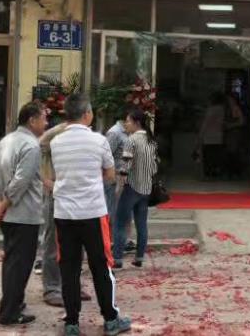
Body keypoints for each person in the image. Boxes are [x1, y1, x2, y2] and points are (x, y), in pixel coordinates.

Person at [50, 93, 132, 336]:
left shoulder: (56, 142)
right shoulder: (99, 141)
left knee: (69, 269)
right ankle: (111, 319)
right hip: (93, 213)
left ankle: (72, 323)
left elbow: (57, 172)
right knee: (101, 266)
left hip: (64, 214)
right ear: (87, 114)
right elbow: (110, 175)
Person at [0, 100, 48, 326]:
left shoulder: (5, 141)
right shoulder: (31, 146)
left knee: (13, 262)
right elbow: (21, 181)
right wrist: (2, 205)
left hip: (9, 215)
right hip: (23, 215)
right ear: (32, 120)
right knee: (19, 265)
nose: (46, 123)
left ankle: (15, 303)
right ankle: (9, 312)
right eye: (44, 118)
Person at [38, 121, 91, 307]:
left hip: (77, 197)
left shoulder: (81, 144)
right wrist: (47, 181)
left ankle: (71, 284)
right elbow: (39, 145)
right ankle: (52, 288)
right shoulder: (51, 144)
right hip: (56, 196)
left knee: (77, 245)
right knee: (53, 244)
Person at [113, 109, 158, 269]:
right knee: (142, 224)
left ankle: (117, 259)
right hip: (146, 188)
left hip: (131, 187)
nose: (126, 124)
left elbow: (125, 167)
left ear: (136, 123)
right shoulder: (152, 141)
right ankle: (139, 258)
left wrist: (118, 182)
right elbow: (154, 167)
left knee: (120, 223)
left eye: (128, 121)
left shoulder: (131, 140)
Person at [105, 112, 135, 253]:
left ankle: (125, 240)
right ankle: (113, 241)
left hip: (126, 177)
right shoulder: (114, 133)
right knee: (114, 210)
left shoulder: (129, 133)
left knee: (125, 210)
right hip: (115, 178)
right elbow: (106, 155)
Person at [196, 92, 226, 179]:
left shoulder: (211, 110)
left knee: (208, 156)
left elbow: (206, 123)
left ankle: (208, 174)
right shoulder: (222, 109)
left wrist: (200, 134)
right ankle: (215, 173)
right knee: (215, 156)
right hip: (218, 135)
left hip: (209, 136)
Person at [224, 93, 246, 179]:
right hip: (230, 133)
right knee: (230, 151)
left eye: (230, 99)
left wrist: (231, 125)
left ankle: (235, 171)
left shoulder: (236, 108)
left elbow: (242, 121)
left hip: (234, 132)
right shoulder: (228, 109)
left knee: (234, 151)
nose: (229, 101)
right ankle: (231, 171)